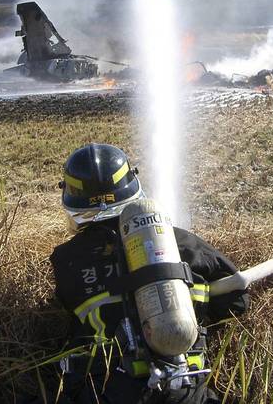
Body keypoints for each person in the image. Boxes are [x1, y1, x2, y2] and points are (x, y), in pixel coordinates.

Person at [49, 143, 248, 404]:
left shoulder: (67, 259)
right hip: (185, 390)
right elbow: (237, 301)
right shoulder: (183, 243)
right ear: (132, 186)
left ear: (72, 200)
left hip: (109, 392)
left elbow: (68, 311)